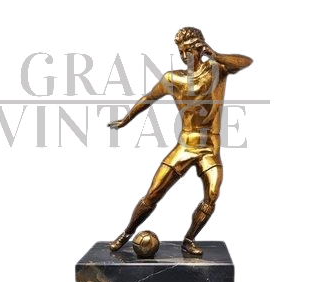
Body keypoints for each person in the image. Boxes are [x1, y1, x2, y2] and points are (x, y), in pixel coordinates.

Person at [107, 26, 254, 255]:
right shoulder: (173, 78)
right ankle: (126, 234)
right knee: (153, 194)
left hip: (210, 149)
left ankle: (189, 239)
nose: (184, 56)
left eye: (188, 50)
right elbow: (148, 98)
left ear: (200, 49)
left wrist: (214, 53)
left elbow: (246, 61)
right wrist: (126, 119)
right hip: (185, 146)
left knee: (212, 195)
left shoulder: (217, 69)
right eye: (180, 51)